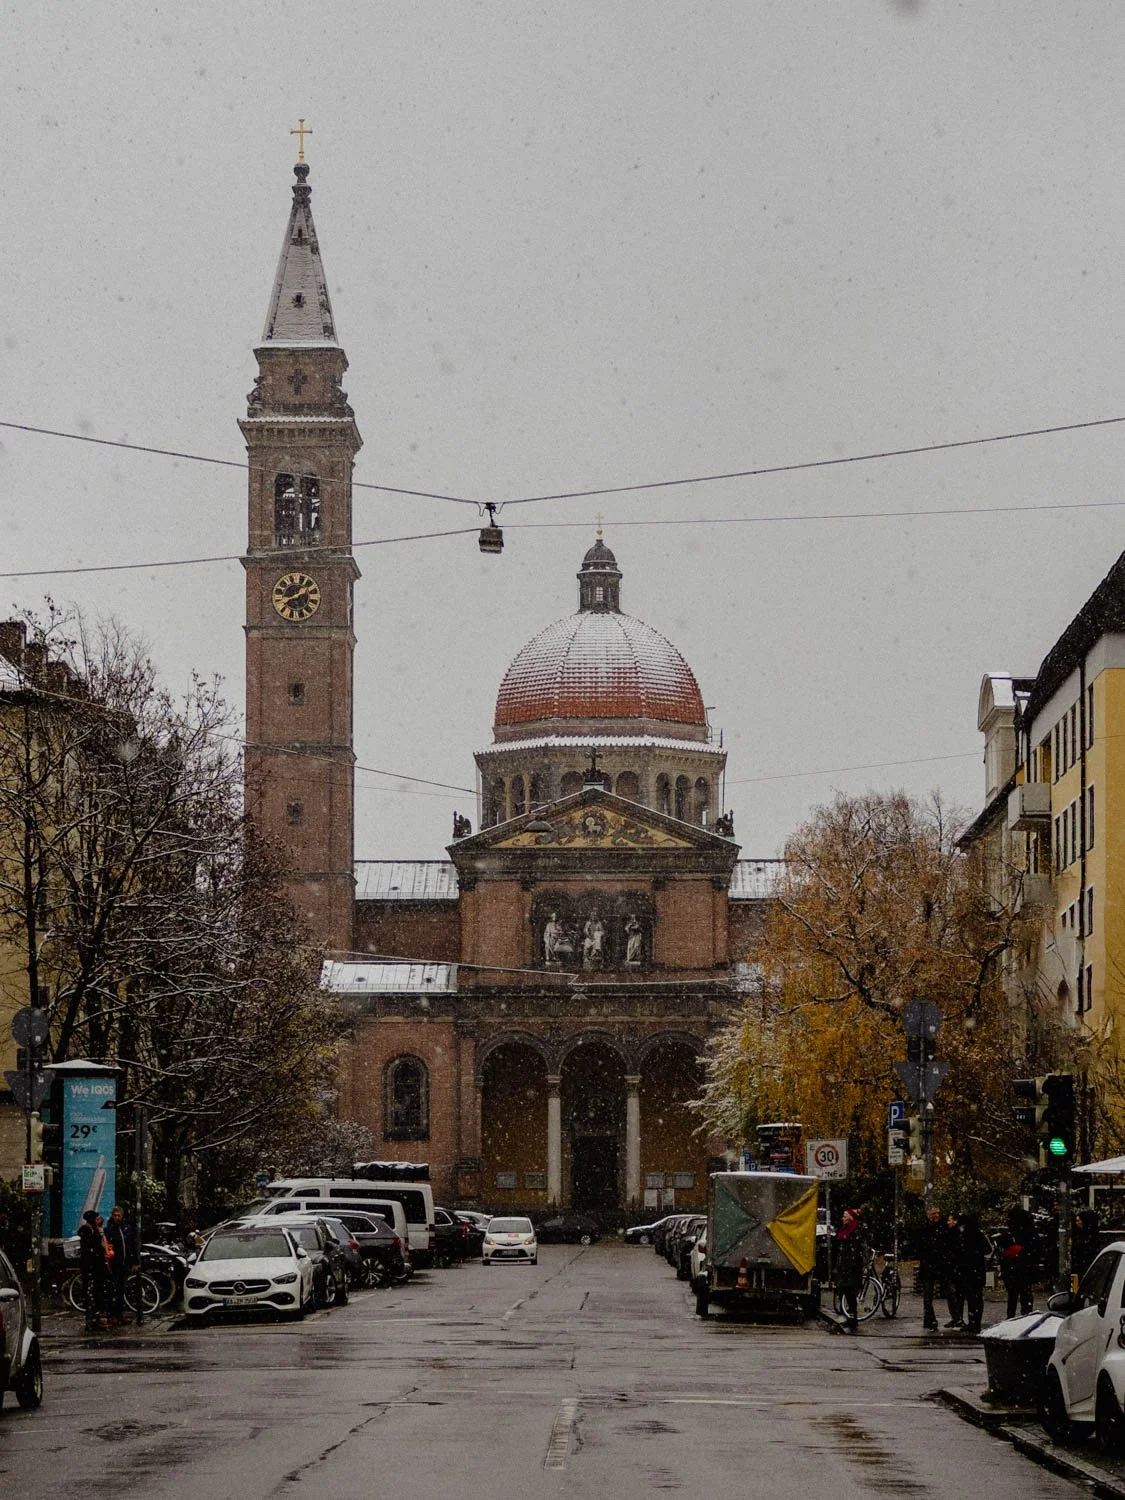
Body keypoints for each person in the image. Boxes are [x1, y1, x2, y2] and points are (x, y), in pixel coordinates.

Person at [1000, 1206, 1037, 1318]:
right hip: (1024, 1266)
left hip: (1014, 1267)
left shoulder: (1013, 1233)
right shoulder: (1029, 1233)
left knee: (1013, 1295)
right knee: (1025, 1293)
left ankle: (1012, 1317)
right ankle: (1026, 1315)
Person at [104, 1204, 138, 1326]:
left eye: (118, 1215)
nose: (116, 1217)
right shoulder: (109, 1230)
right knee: (112, 1290)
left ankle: (119, 1314)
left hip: (124, 1262)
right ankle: (112, 1315)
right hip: (114, 1263)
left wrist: (134, 1261)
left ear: (122, 1216)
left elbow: (132, 1245)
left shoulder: (126, 1228)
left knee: (120, 1289)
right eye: (114, 1215)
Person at [834, 1208, 867, 1333]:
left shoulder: (854, 1231)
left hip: (851, 1268)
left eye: (845, 1216)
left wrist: (851, 1265)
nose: (843, 1218)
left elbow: (856, 1250)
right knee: (845, 1292)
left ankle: (850, 1317)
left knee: (849, 1292)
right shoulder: (844, 1230)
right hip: (844, 1267)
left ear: (851, 1218)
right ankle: (848, 1317)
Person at [959, 1213, 991, 1334]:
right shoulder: (978, 1234)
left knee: (972, 1297)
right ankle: (975, 1321)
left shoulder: (966, 1236)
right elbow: (987, 1249)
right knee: (976, 1297)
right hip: (976, 1270)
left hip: (968, 1270)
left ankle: (974, 1322)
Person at [78, 1209, 109, 1331]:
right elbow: (92, 1248)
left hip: (94, 1266)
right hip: (92, 1266)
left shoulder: (90, 1230)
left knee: (94, 1293)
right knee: (92, 1293)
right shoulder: (88, 1230)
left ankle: (93, 1319)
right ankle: (92, 1320)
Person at [917, 1204, 946, 1333]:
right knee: (928, 1296)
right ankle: (929, 1319)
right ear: (928, 1214)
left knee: (948, 1293)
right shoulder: (925, 1228)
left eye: (937, 1213)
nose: (936, 1216)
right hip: (929, 1265)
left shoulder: (940, 1227)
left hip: (938, 1265)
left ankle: (930, 1319)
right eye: (934, 1213)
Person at [944, 1211, 966, 1328]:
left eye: (950, 1220)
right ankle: (957, 1318)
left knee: (954, 1294)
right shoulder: (957, 1233)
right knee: (955, 1294)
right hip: (955, 1267)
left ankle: (957, 1318)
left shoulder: (954, 1234)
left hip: (954, 1268)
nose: (948, 1222)